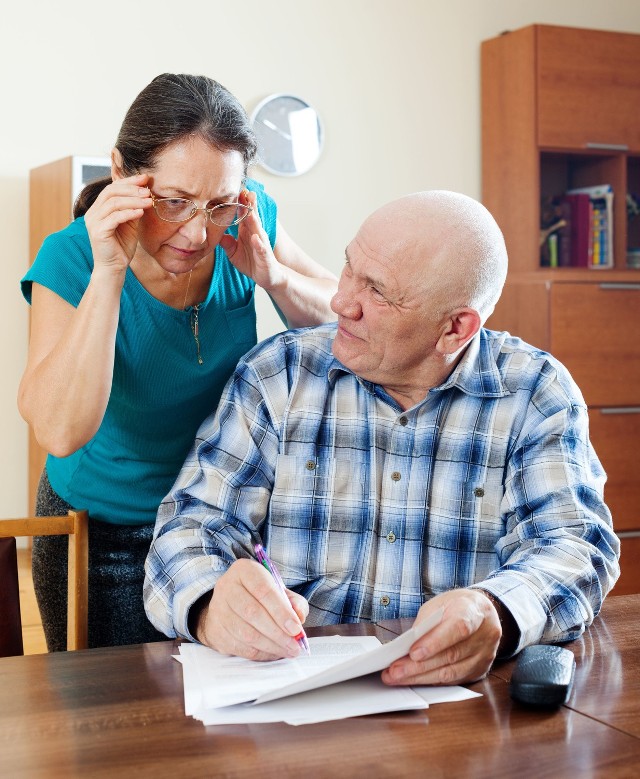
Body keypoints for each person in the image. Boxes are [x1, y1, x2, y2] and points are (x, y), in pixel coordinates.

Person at [143, 190, 620, 685]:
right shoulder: (278, 373)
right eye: (349, 268)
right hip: (290, 697)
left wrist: (495, 611)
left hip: (456, 709)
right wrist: (208, 605)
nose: (339, 301)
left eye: (378, 291)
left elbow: (575, 546)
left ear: (455, 328)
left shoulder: (534, 392)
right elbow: (188, 528)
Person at [18, 73, 338, 651]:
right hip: (103, 531)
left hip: (217, 517)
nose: (197, 232)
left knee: (220, 725)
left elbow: (348, 325)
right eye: (173, 203)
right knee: (114, 730)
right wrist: (109, 274)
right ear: (121, 174)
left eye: (217, 204)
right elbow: (60, 431)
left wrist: (273, 276)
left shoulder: (246, 216)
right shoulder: (70, 258)